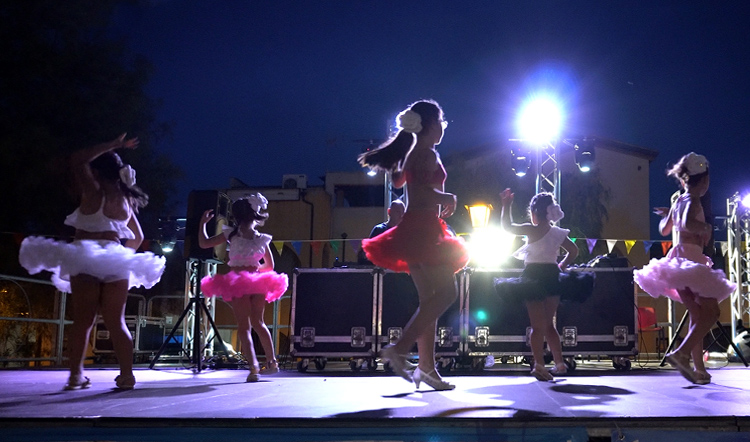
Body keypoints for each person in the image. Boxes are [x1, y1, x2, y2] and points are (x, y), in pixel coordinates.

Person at [19, 134, 166, 390]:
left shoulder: (92, 190)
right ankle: (127, 376)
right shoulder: (125, 201)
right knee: (116, 321)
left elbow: (76, 160)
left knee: (83, 321)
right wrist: (117, 257)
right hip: (114, 259)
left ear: (97, 170)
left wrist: (112, 145)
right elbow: (138, 238)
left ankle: (76, 375)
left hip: (85, 257)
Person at [358, 100, 469, 390]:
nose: (444, 126)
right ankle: (401, 347)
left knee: (429, 301)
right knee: (446, 294)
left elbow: (407, 188)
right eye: (442, 121)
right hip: (424, 229)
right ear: (431, 125)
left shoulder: (413, 152)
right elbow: (420, 195)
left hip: (415, 228)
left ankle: (427, 369)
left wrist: (440, 198)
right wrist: (448, 198)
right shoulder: (426, 153)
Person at [634, 153, 736, 384]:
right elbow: (689, 224)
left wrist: (667, 215)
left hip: (676, 261)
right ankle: (681, 354)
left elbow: (663, 230)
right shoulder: (694, 200)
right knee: (711, 313)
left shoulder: (678, 202)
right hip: (690, 260)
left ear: (683, 180)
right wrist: (705, 225)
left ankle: (698, 368)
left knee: (697, 314)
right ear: (705, 181)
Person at [494, 189, 585, 381]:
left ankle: (539, 365)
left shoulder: (531, 229)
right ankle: (559, 365)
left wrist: (506, 205)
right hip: (552, 276)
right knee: (548, 325)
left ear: (534, 213)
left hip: (533, 278)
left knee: (537, 326)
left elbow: (507, 227)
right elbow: (574, 251)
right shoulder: (558, 233)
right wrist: (563, 265)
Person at [198, 193, 289, 382]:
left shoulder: (230, 233)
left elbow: (203, 243)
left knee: (244, 327)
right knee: (259, 322)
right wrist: (253, 267)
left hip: (238, 282)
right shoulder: (261, 238)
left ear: (236, 216)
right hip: (256, 282)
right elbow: (270, 266)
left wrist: (202, 224)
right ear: (254, 214)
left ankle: (254, 367)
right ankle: (272, 362)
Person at [357, 199, 406, 265]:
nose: (401, 215)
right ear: (389, 212)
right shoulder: (379, 230)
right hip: (382, 269)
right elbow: (369, 253)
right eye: (397, 212)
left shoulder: (404, 232)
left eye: (403, 212)